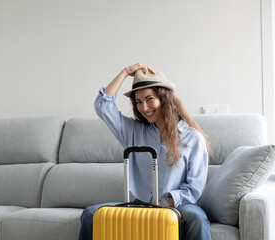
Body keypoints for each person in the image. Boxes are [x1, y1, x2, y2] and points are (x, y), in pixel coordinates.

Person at [78, 62, 212, 240]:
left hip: (179, 205)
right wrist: (124, 72)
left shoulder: (193, 138)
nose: (144, 108)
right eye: (138, 102)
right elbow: (103, 106)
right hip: (141, 205)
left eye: (150, 99)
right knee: (91, 214)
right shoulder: (134, 132)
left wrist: (163, 203)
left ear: (164, 98)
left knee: (197, 218)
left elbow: (194, 189)